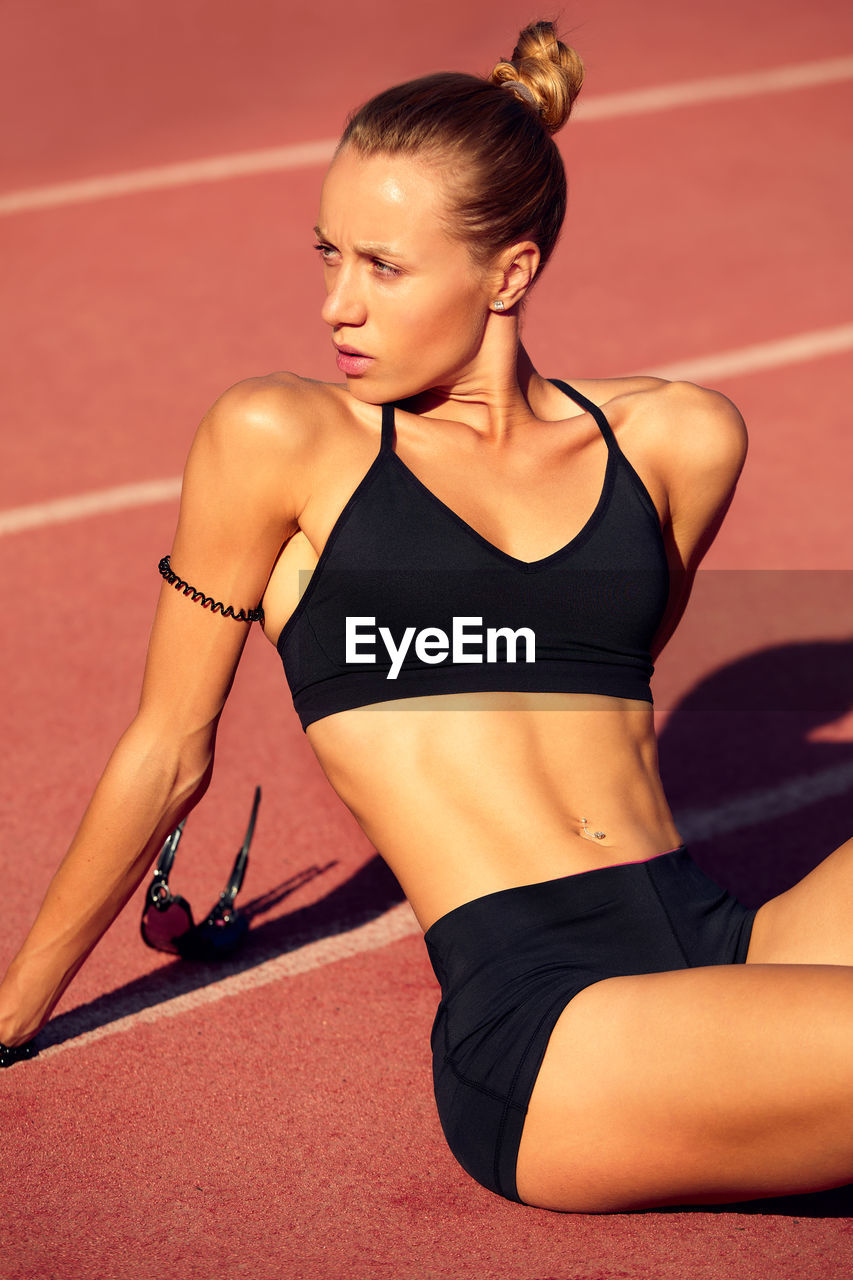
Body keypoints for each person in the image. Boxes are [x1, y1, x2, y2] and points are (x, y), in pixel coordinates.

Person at [2, 20, 853, 1213]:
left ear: (507, 273)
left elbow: (600, 685)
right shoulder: (280, 438)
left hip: (718, 938)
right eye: (328, 255)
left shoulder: (676, 440)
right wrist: (11, 1011)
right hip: (548, 1029)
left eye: (383, 267)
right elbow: (167, 747)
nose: (337, 306)